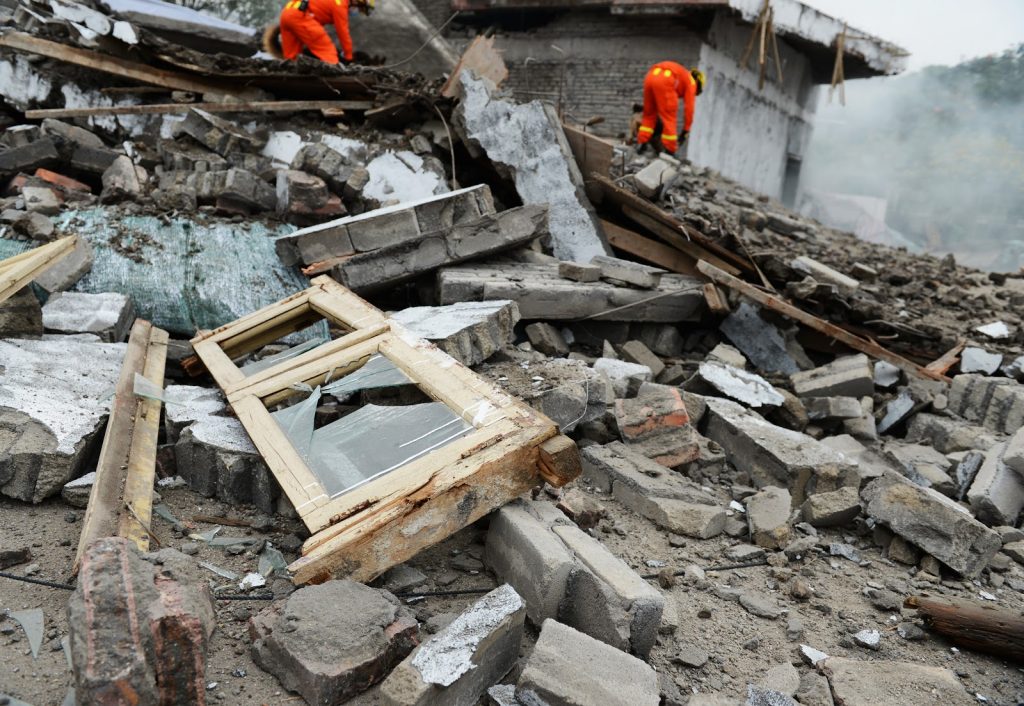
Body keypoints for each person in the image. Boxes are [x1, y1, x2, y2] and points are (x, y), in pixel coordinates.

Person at [262, 0, 373, 65]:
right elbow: (343, 33)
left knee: (292, 59)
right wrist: (349, 57)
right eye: (360, 8)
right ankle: (333, 77)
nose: (357, 12)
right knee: (328, 51)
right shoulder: (340, 5)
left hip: (287, 14)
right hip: (301, 16)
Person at [636, 62, 705, 154]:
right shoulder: (691, 82)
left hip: (650, 76)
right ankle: (670, 151)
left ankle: (642, 143)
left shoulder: (683, 75)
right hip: (666, 80)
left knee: (649, 115)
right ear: (698, 83)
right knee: (669, 118)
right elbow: (689, 109)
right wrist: (686, 130)